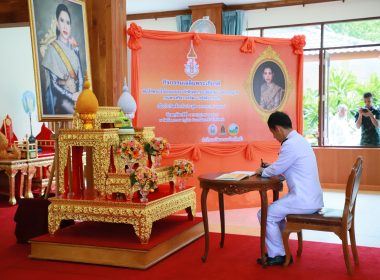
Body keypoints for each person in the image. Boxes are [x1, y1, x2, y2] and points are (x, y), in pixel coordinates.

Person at [255, 111, 324, 266]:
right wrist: (271, 167)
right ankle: (280, 251)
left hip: (304, 199)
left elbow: (275, 171)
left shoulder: (290, 144)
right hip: (310, 196)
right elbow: (283, 166)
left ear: (278, 128)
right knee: (273, 214)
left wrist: (263, 171)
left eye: (272, 132)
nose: (273, 136)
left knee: (265, 215)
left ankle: (279, 254)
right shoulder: (299, 140)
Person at [42, 3, 84, 115]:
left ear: (70, 27)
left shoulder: (75, 49)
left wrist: (79, 95)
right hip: (63, 100)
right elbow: (54, 85)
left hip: (77, 97)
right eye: (62, 21)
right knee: (79, 117)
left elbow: (80, 76)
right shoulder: (52, 49)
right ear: (57, 23)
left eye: (68, 22)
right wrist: (72, 96)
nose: (65, 26)